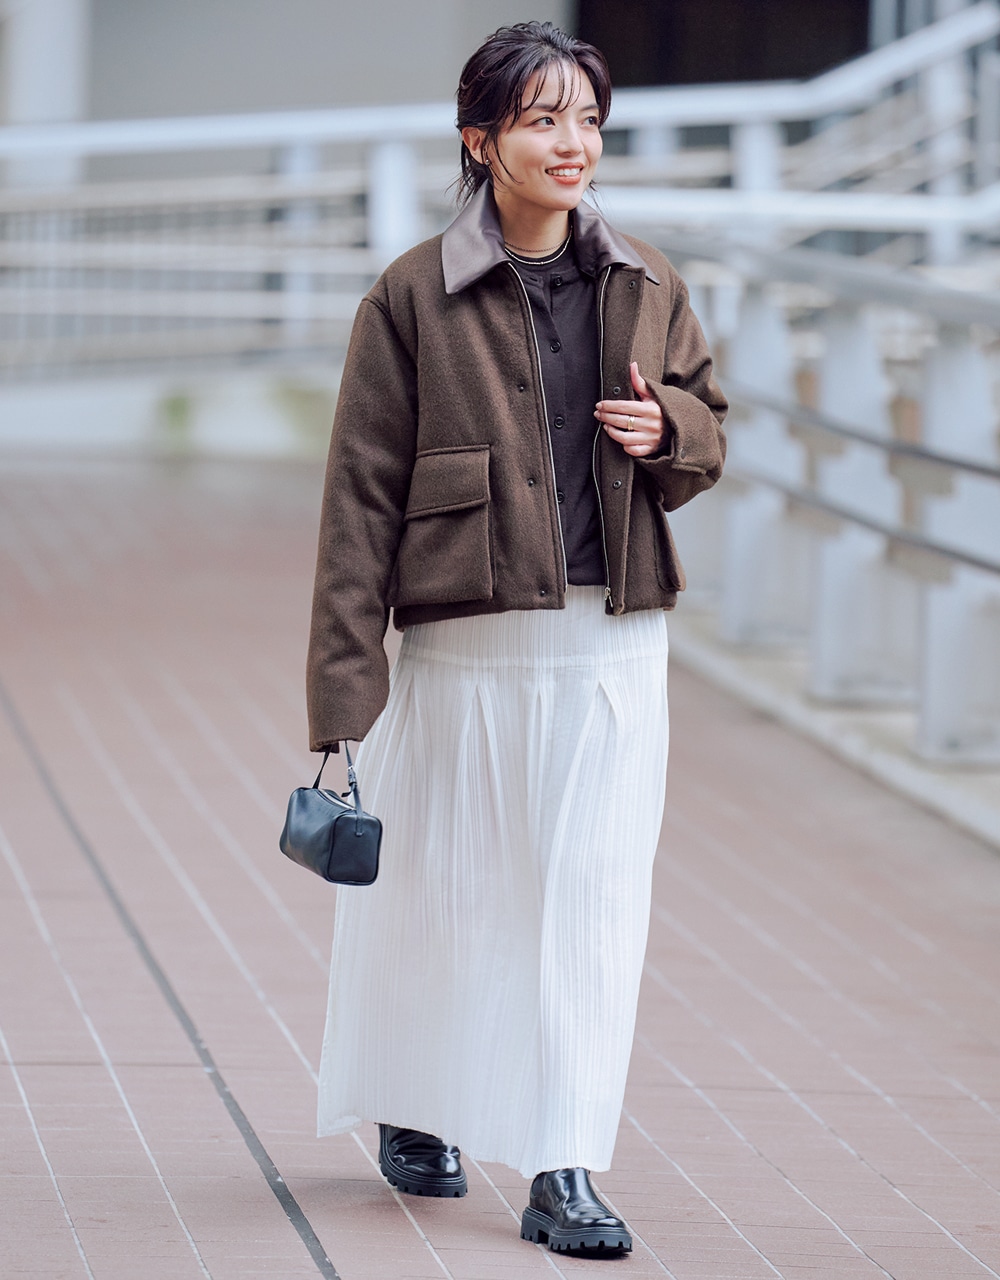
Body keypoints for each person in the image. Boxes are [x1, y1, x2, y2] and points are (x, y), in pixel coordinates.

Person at [306, 20, 727, 1255]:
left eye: (587, 119)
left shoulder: (646, 281)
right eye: (543, 120)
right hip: (466, 648)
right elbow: (358, 502)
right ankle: (411, 1098)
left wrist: (673, 433)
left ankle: (563, 1161)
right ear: (480, 139)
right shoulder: (409, 296)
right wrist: (343, 698)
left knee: (590, 904)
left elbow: (710, 420)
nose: (572, 143)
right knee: (447, 898)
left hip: (612, 651)